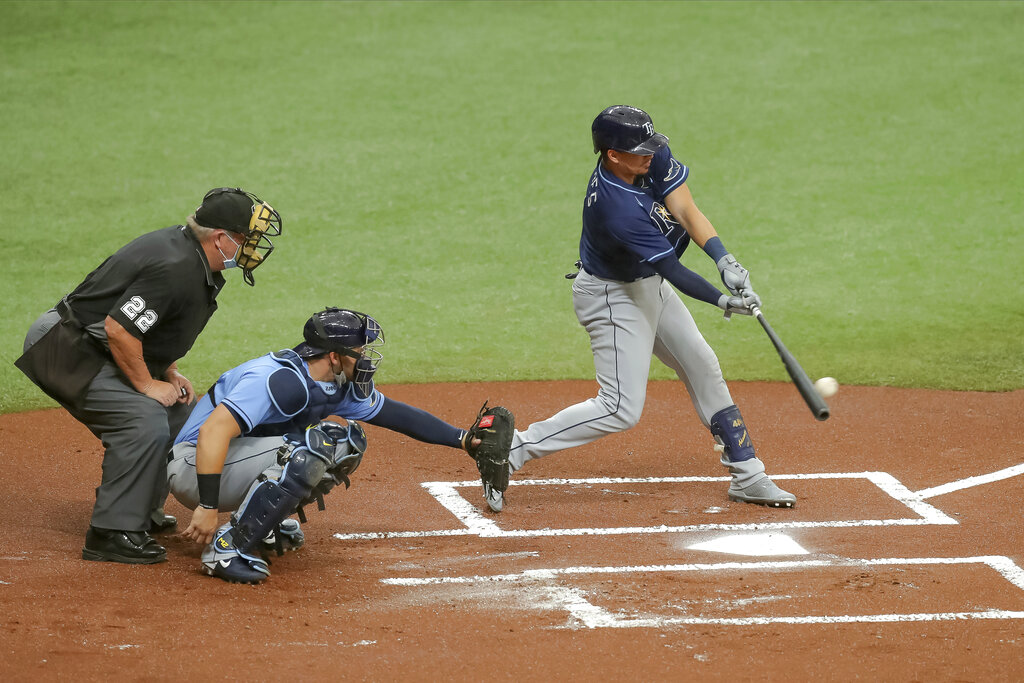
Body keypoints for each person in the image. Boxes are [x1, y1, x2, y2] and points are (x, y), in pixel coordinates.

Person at [482, 105, 795, 514]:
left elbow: (685, 209)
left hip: (646, 286)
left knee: (703, 364)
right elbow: (671, 269)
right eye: (640, 149)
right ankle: (508, 450)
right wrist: (722, 300)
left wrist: (724, 259)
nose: (651, 154)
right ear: (613, 154)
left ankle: (748, 475)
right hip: (613, 298)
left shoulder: (648, 156)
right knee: (618, 409)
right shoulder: (615, 206)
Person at [15, 187, 282, 564]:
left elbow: (149, 323)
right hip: (66, 347)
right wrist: (145, 383)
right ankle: (110, 533)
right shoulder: (175, 267)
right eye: (247, 238)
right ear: (221, 238)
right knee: (142, 419)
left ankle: (139, 510)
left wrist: (167, 371)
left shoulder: (193, 258)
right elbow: (119, 328)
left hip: (95, 344)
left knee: (181, 416)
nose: (253, 247)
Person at [166, 307, 508, 584]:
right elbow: (213, 433)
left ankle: (259, 526)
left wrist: (463, 439)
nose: (365, 359)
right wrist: (207, 506)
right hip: (193, 467)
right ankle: (226, 549)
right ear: (333, 356)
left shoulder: (332, 385)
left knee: (343, 443)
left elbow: (395, 415)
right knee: (309, 449)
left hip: (233, 461)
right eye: (358, 351)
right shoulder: (276, 380)